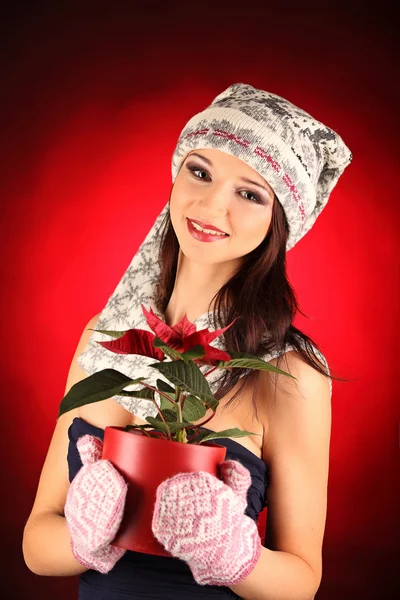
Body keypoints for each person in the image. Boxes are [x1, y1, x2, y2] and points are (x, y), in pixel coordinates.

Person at [22, 82, 352, 599]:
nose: (210, 203)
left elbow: (301, 582)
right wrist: (83, 538)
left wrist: (236, 556)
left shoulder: (288, 374)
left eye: (250, 193)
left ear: (278, 221)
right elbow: (37, 546)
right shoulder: (103, 337)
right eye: (199, 171)